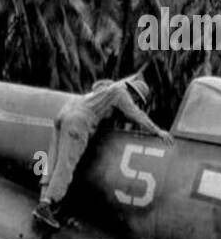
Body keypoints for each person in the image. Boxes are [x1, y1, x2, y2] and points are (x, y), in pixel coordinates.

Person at [34, 71, 173, 229]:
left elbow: (99, 88)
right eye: (136, 99)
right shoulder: (120, 93)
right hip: (79, 121)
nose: (134, 101)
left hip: (64, 113)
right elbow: (136, 114)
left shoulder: (104, 90)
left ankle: (42, 201)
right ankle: (47, 204)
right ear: (133, 93)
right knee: (67, 163)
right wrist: (157, 131)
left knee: (53, 160)